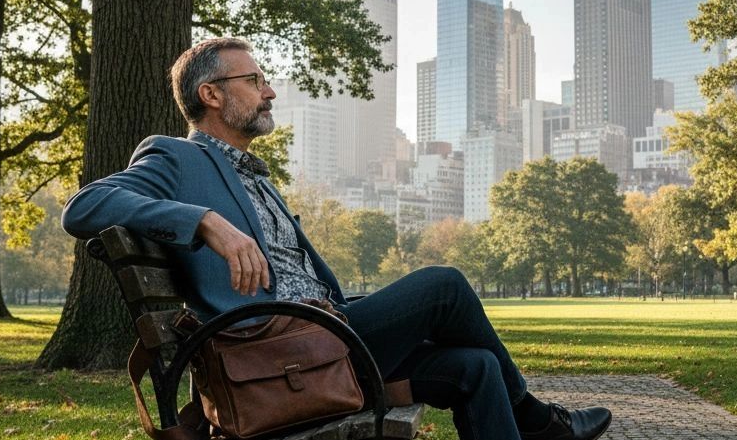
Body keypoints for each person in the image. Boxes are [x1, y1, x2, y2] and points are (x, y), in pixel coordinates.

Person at [62, 37, 612, 440]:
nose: (270, 91)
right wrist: (204, 221)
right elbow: (84, 206)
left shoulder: (255, 174)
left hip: (324, 334)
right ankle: (542, 424)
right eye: (253, 81)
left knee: (476, 366)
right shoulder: (176, 156)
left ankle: (538, 424)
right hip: (273, 354)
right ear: (210, 94)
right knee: (444, 285)